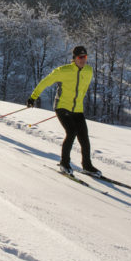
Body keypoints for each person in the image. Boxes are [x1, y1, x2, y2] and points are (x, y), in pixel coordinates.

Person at [28, 45, 101, 176]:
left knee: (84, 136)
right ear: (74, 58)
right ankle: (64, 163)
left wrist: (77, 104)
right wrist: (33, 97)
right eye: (80, 57)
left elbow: (83, 90)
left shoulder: (89, 71)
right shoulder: (63, 71)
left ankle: (87, 165)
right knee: (71, 132)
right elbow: (45, 82)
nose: (83, 60)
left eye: (85, 57)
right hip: (62, 106)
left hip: (77, 109)